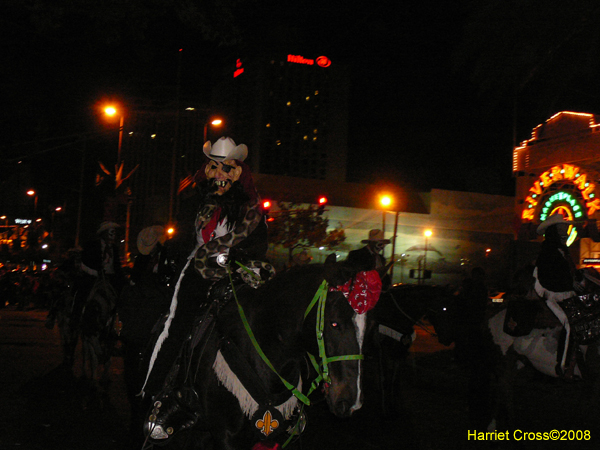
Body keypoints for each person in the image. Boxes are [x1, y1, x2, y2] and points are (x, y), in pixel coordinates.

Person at [139, 136, 272, 397]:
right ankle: (153, 392)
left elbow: (259, 246)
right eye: (215, 166)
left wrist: (238, 257)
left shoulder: (251, 210)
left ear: (238, 172)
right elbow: (181, 241)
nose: (220, 173)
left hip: (235, 271)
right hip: (197, 271)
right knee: (176, 327)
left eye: (227, 168)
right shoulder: (194, 203)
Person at [534, 213, 582, 379]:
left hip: (568, 296)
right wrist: (569, 284)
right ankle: (563, 365)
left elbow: (569, 276)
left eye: (566, 229)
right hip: (553, 297)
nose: (566, 233)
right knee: (570, 324)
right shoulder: (547, 254)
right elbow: (546, 280)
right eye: (562, 229)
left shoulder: (563, 253)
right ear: (554, 232)